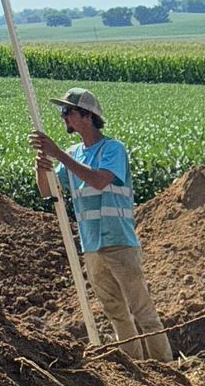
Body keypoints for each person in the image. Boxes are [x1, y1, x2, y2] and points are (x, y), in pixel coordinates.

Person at [30, 88, 173, 364]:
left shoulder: (112, 149)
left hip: (119, 242)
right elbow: (47, 191)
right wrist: (42, 166)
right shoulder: (73, 154)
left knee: (142, 312)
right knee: (115, 311)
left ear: (87, 116)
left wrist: (58, 154)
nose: (64, 117)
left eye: (67, 112)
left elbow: (99, 180)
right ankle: (137, 369)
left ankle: (165, 368)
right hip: (92, 245)